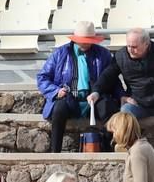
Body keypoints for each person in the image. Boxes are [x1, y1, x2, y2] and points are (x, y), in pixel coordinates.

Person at [88, 27, 154, 152]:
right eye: (128, 46)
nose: (131, 50)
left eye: (135, 47)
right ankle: (125, 145)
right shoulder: (121, 56)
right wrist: (96, 92)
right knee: (125, 111)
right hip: (137, 103)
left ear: (146, 44)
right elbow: (107, 76)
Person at [37, 21, 123, 153]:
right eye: (82, 40)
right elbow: (42, 77)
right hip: (68, 98)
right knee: (59, 109)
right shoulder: (60, 54)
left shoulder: (104, 54)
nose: (85, 43)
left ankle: (108, 149)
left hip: (96, 98)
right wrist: (56, 91)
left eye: (88, 40)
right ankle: (55, 152)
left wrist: (122, 96)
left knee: (109, 108)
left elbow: (112, 79)